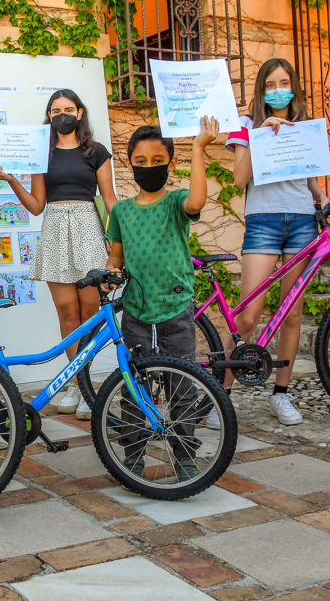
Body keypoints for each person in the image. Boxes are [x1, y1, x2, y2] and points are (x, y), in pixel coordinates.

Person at [215, 57, 330, 427]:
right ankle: (222, 395)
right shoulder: (247, 124)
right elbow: (238, 179)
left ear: (293, 86)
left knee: (292, 312)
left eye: (284, 82)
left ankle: (281, 394)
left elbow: (309, 180)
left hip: (301, 222)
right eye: (270, 84)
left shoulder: (305, 127)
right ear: (261, 89)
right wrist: (260, 135)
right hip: (263, 222)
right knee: (247, 316)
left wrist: (326, 199)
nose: (277, 89)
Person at [0, 89, 116, 420]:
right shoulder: (39, 153)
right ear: (49, 115)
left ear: (80, 112)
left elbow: (111, 200)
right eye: (56, 110)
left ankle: (88, 389)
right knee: (68, 314)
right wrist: (12, 180)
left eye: (68, 108)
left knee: (90, 313)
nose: (62, 114)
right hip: (55, 228)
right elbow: (36, 205)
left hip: (88, 228)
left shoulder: (96, 151)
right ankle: (73, 382)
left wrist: (121, 242)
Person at [104, 118, 218, 480]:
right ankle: (133, 456)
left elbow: (197, 199)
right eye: (141, 161)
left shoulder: (176, 202)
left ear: (169, 162)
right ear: (130, 164)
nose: (149, 167)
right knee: (133, 389)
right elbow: (116, 257)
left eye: (158, 161)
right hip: (136, 312)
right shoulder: (120, 212)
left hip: (175, 309)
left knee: (182, 387)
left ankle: (185, 455)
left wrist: (198, 148)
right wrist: (110, 277)